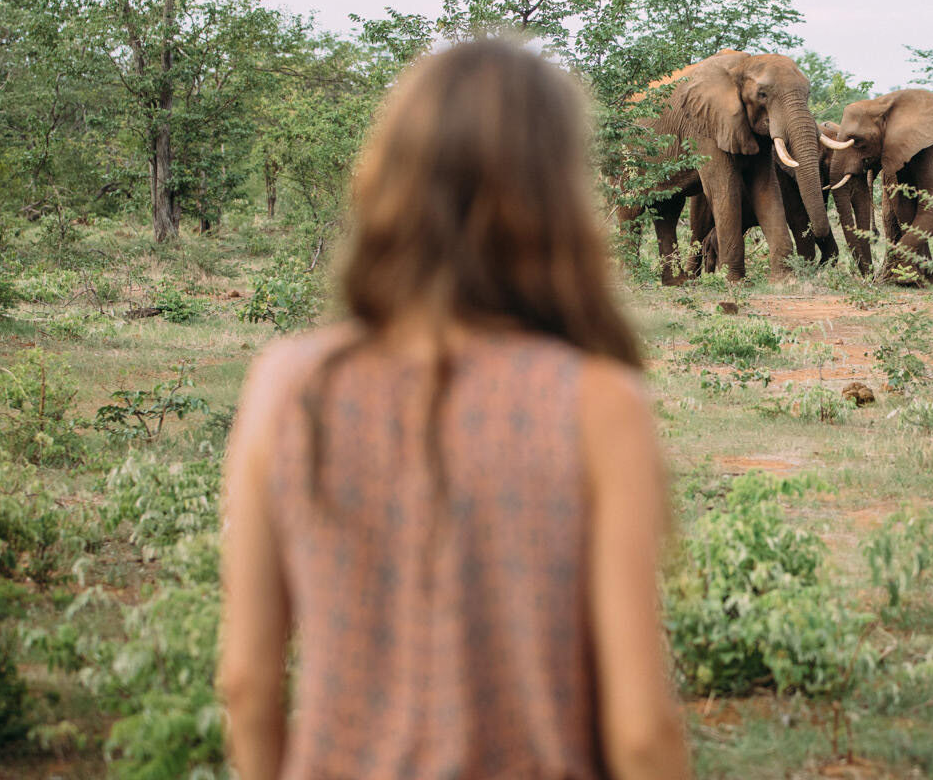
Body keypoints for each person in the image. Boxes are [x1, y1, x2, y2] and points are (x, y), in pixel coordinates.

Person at [217, 39, 690, 780]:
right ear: (556, 193)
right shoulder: (599, 403)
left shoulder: (286, 384)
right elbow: (641, 734)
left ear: (388, 175)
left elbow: (246, 684)